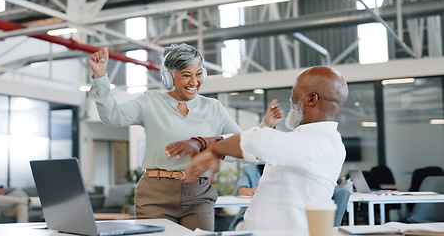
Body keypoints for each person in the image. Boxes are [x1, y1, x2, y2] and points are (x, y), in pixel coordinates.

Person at [88, 43, 246, 230]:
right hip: (155, 195)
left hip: (198, 194)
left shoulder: (213, 108)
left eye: (199, 74)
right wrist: (100, 76)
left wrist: (205, 143)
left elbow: (241, 143)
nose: (194, 82)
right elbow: (112, 116)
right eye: (186, 75)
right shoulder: (150, 101)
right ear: (169, 77)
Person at [176, 66, 349, 230]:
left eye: (294, 94)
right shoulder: (304, 140)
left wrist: (214, 150)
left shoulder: (321, 144)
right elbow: (252, 151)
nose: (291, 100)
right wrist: (203, 144)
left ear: (311, 99)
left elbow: (256, 141)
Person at [228, 164, 264, 231]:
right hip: (247, 216)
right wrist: (251, 191)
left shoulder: (282, 170)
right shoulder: (250, 169)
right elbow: (239, 190)